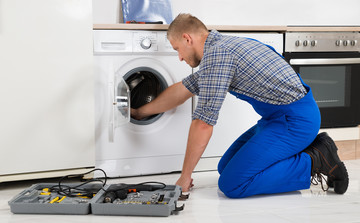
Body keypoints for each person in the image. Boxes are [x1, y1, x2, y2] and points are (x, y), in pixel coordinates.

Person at [131, 13, 349, 198]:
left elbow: (203, 123)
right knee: (224, 167)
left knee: (233, 184)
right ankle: (299, 155)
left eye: (177, 49)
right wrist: (140, 112)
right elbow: (181, 91)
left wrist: (185, 176)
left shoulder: (218, 55)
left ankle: (316, 159)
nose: (179, 58)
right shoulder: (221, 48)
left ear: (187, 38)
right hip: (277, 119)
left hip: (295, 121)